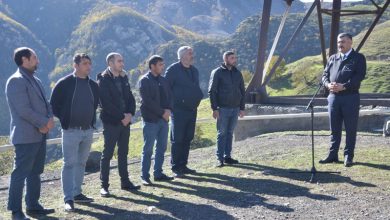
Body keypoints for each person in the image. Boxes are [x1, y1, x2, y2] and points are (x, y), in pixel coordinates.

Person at [5, 47, 55, 219]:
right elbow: (23, 110)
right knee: (20, 173)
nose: (38, 60)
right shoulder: (16, 81)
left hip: (40, 134)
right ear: (24, 60)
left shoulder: (36, 80)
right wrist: (42, 123)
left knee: (35, 172)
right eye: (34, 57)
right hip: (26, 136)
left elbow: (46, 103)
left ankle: (33, 205)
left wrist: (49, 120)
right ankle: (16, 211)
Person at [50, 53, 99, 212]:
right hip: (70, 131)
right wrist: (65, 118)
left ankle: (77, 193)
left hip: (88, 130)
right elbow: (54, 105)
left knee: (82, 162)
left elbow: (95, 104)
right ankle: (68, 199)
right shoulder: (64, 83)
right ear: (75, 65)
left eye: (89, 63)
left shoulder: (93, 85)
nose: (88, 66)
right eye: (85, 63)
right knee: (69, 164)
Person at [319, 33, 366, 167]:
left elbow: (359, 76)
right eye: (339, 42)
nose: (340, 44)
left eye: (343, 42)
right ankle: (333, 155)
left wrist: (343, 86)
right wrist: (328, 85)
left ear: (351, 43)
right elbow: (324, 75)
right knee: (334, 128)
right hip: (333, 98)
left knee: (350, 128)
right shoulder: (333, 58)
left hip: (350, 98)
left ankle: (348, 156)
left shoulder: (358, 58)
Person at [97, 52, 140, 197]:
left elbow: (130, 98)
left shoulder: (124, 77)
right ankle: (104, 186)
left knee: (123, 152)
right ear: (110, 63)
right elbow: (105, 103)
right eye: (119, 61)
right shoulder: (103, 80)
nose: (122, 63)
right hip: (111, 122)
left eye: (122, 60)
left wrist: (130, 114)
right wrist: (122, 116)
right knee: (107, 154)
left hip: (125, 121)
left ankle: (125, 182)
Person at [165, 46, 203, 177]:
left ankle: (183, 165)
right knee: (178, 138)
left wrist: (198, 99)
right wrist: (170, 106)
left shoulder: (194, 71)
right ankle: (175, 167)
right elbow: (166, 88)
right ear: (182, 56)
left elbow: (196, 88)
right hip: (178, 110)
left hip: (192, 109)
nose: (192, 55)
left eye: (192, 53)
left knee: (188, 137)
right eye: (190, 53)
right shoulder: (173, 69)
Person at [139, 55, 174, 185]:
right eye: (160, 64)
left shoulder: (164, 80)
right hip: (151, 120)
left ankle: (158, 173)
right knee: (148, 149)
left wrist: (169, 110)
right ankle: (144, 176)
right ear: (152, 66)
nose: (162, 67)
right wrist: (162, 112)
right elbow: (147, 101)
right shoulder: (145, 80)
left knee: (162, 147)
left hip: (163, 120)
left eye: (162, 64)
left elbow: (170, 96)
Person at [208, 51, 245, 167]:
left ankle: (227, 157)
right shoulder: (217, 72)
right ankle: (220, 159)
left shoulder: (237, 73)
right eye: (232, 58)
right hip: (222, 109)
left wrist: (242, 108)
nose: (235, 60)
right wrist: (215, 108)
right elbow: (212, 91)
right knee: (222, 133)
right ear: (225, 59)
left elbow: (242, 91)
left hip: (235, 108)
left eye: (235, 58)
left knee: (230, 133)